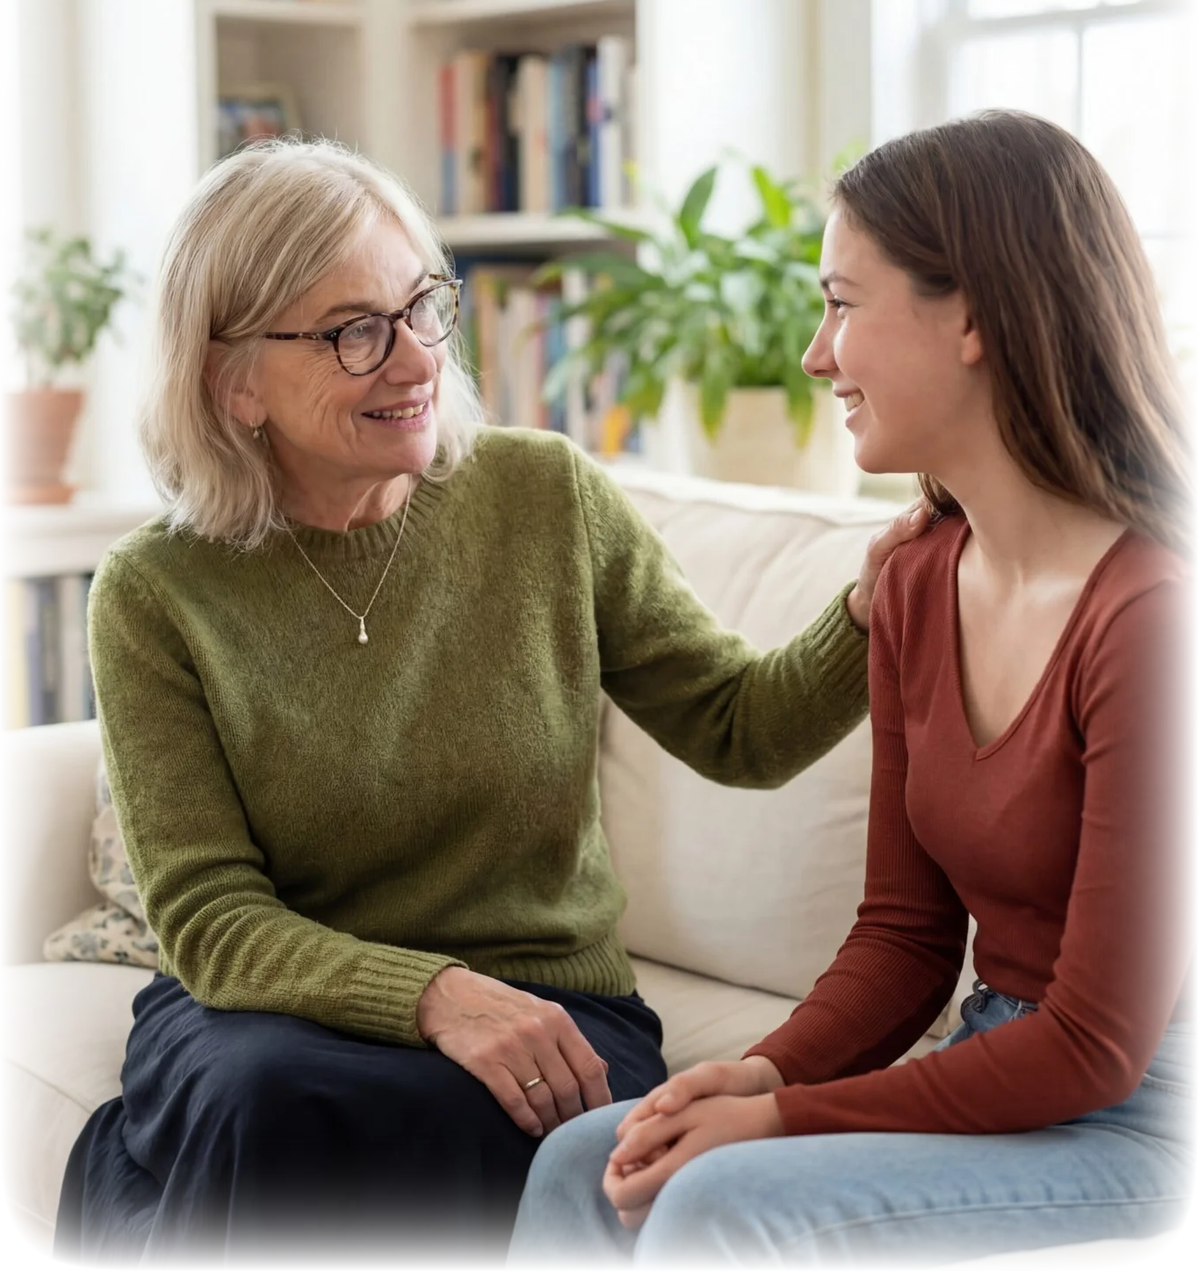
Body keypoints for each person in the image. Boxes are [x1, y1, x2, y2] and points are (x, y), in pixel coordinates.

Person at [51, 138, 924, 1271]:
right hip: (269, 1008)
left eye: (423, 306)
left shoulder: (541, 495)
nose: (413, 358)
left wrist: (864, 606)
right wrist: (434, 996)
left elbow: (738, 728)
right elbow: (213, 919)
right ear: (234, 380)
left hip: (553, 1001)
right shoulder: (156, 591)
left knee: (441, 1129)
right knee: (270, 1103)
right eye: (351, 330)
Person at [507, 110, 1198, 1271]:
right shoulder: (918, 579)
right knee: (592, 1157)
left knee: (717, 1206)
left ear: (972, 315)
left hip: (1158, 1110)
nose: (816, 354)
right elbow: (903, 936)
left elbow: (1092, 1046)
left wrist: (779, 1118)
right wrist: (764, 1069)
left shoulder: (1157, 622)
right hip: (1001, 1059)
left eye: (841, 303)